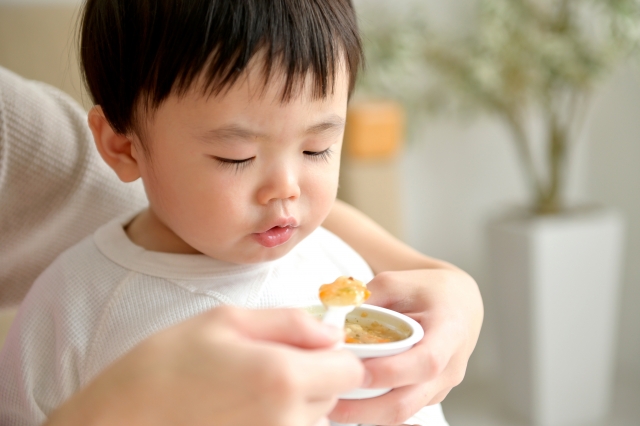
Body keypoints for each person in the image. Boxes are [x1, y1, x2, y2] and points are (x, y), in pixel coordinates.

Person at [0, 1, 483, 425]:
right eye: (236, 158)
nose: (286, 190)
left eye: (317, 149)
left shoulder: (341, 263)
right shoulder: (75, 307)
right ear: (122, 147)